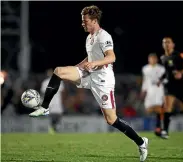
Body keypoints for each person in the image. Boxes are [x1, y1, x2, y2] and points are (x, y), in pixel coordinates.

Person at [29, 5, 148, 161]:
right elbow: (89, 58)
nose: (82, 24)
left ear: (94, 20)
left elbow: (112, 57)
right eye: (82, 21)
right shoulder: (89, 37)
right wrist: (78, 66)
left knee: (111, 120)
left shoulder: (104, 36)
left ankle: (141, 142)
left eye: (85, 21)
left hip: (102, 81)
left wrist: (95, 63)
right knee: (59, 71)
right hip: (88, 74)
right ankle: (44, 107)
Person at [159, 37, 183, 139]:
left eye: (168, 42)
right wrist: (160, 79)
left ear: (173, 44)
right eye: (164, 42)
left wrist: (181, 73)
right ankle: (164, 131)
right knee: (167, 107)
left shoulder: (179, 55)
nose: (166, 44)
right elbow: (167, 71)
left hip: (181, 85)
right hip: (169, 86)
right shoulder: (163, 57)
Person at [141, 53, 165, 137]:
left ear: (156, 59)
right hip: (149, 92)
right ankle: (146, 128)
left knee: (159, 110)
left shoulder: (161, 69)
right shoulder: (145, 69)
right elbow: (145, 80)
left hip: (159, 91)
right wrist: (143, 90)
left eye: (154, 59)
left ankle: (158, 128)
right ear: (148, 59)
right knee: (148, 109)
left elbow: (165, 79)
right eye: (151, 58)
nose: (152, 60)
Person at [40, 69, 66, 133]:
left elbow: (63, 93)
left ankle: (54, 128)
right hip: (51, 102)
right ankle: (52, 129)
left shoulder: (59, 82)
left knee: (58, 116)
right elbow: (43, 93)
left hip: (58, 102)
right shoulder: (45, 82)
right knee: (52, 117)